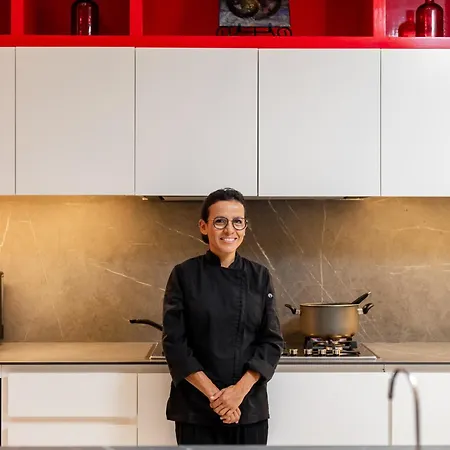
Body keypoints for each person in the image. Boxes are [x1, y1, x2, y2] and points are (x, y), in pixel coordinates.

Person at [162, 187, 284, 446]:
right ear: (204, 226)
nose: (230, 230)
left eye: (237, 221)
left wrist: (237, 394)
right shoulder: (184, 275)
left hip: (247, 408)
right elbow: (175, 344)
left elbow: (271, 342)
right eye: (220, 221)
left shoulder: (259, 276)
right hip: (196, 409)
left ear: (245, 227)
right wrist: (217, 398)